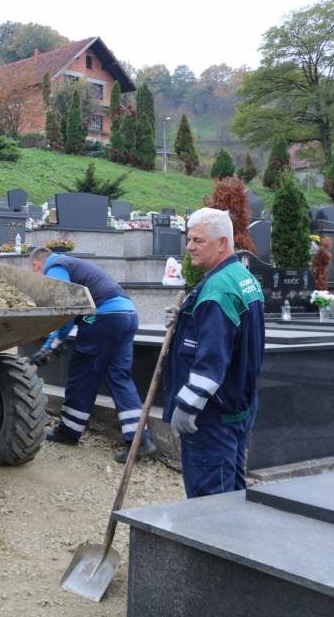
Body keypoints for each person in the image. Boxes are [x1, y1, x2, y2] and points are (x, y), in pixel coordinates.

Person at [164, 208, 264, 498]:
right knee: (232, 492)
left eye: (198, 241)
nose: (190, 247)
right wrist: (186, 318)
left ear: (222, 243)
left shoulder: (217, 291)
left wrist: (187, 406)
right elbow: (233, 337)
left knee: (210, 504)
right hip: (237, 406)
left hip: (211, 417)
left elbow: (213, 358)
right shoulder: (241, 277)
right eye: (189, 239)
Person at [29, 246, 157, 462]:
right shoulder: (74, 265)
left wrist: (50, 345)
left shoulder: (54, 266)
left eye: (35, 274)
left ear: (36, 265)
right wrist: (55, 341)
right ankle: (139, 440)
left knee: (82, 373)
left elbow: (67, 306)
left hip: (101, 317)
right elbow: (73, 310)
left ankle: (68, 431)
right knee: (119, 377)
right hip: (127, 314)